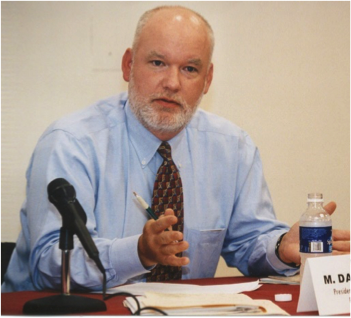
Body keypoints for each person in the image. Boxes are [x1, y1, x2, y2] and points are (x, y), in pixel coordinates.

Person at [1, 5, 350, 292]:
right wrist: (138, 252)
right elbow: (51, 264)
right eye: (157, 63)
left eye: (189, 68)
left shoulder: (233, 148)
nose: (172, 83)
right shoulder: (71, 143)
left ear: (207, 80)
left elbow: (250, 244)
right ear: (128, 65)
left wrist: (280, 249)